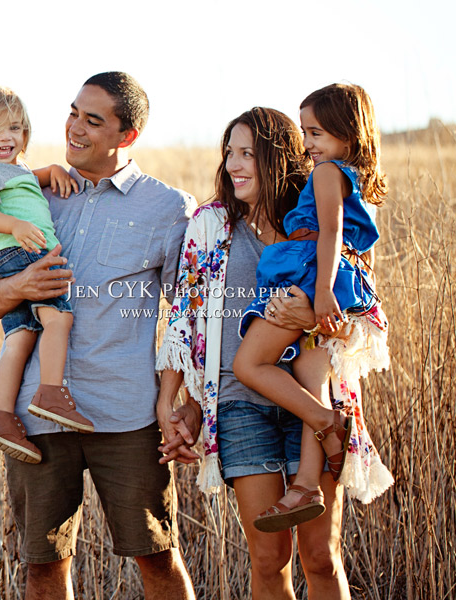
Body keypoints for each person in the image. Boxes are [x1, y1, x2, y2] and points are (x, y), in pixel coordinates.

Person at [0, 72, 197, 599]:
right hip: (35, 419)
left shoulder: (167, 208)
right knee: (44, 566)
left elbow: (188, 317)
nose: (74, 128)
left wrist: (178, 401)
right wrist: (23, 283)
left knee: (157, 557)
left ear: (126, 136)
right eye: (73, 112)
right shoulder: (34, 193)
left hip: (126, 413)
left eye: (93, 121)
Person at [157, 107, 392, 600]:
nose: (234, 164)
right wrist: (180, 402)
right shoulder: (211, 226)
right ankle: (330, 424)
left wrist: (310, 313)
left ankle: (328, 422)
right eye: (229, 153)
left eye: (248, 154)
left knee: (322, 558)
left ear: (277, 157)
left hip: (313, 400)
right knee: (269, 560)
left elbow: (357, 306)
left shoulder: (316, 221)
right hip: (241, 404)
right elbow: (187, 317)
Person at [232, 84, 391, 531]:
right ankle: (305, 483)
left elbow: (331, 234)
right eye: (305, 133)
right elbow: (364, 253)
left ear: (349, 133)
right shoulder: (362, 181)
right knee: (310, 377)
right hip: (347, 281)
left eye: (316, 133)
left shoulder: (325, 174)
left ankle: (327, 422)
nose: (308, 145)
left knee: (250, 364)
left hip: (310, 274)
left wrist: (321, 292)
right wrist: (346, 294)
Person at [0, 85, 92, 465]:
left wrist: (49, 172)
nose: (5, 138)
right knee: (59, 318)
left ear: (26, 133)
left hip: (12, 256)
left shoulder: (10, 170)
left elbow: (18, 180)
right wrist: (15, 225)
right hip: (23, 253)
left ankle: (2, 416)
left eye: (14, 129)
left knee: (20, 335)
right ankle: (51, 393)